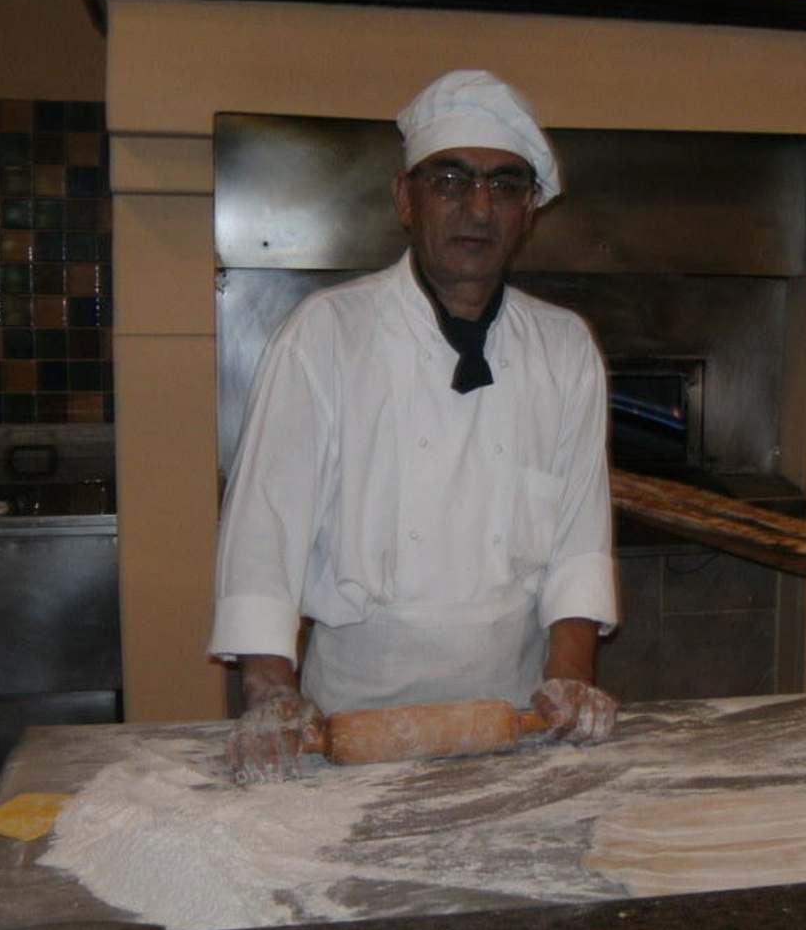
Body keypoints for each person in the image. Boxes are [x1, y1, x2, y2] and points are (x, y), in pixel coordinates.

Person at [209, 70, 620, 783]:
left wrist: (571, 681)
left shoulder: (564, 348)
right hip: (353, 723)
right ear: (406, 198)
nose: (478, 208)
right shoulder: (327, 334)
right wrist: (273, 693)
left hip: (513, 717)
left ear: (529, 210)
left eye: (505, 185)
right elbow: (263, 532)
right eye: (450, 180)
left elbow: (579, 540)